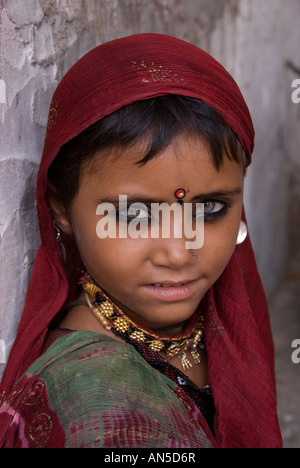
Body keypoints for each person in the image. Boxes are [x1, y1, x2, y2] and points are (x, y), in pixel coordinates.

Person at [0, 33, 282, 448]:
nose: (179, 252)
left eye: (209, 210)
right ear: (61, 206)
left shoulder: (207, 323)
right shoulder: (100, 413)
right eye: (136, 216)